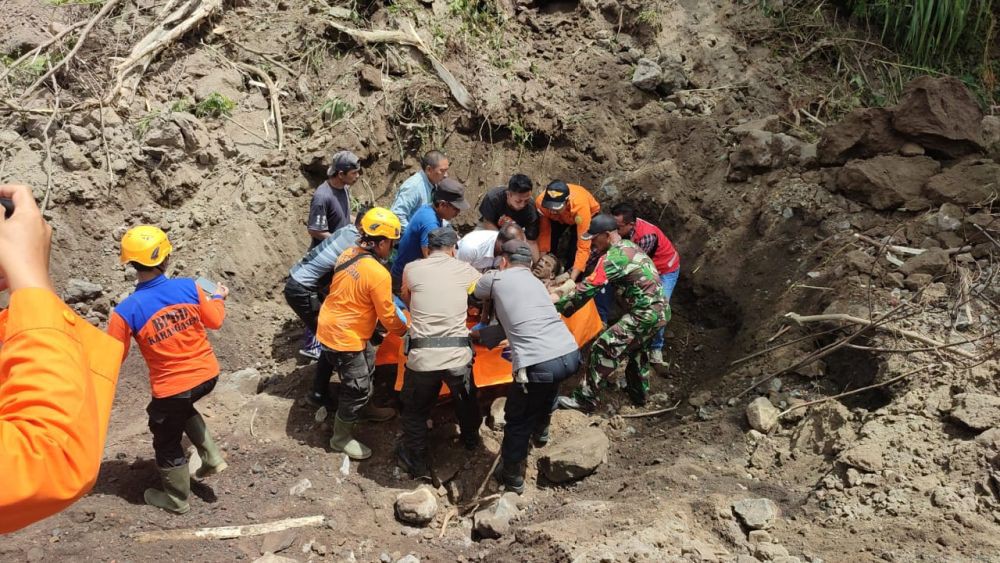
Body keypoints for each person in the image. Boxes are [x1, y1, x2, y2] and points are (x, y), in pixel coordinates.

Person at [0, 183, 123, 533]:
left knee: (166, 431)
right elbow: (51, 456)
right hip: (200, 378)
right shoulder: (189, 289)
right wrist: (29, 277)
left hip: (165, 386)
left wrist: (30, 285)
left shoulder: (131, 308)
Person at [107, 226, 230, 515]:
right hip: (208, 375)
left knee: (165, 436)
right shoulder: (191, 286)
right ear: (166, 258)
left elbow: (113, 356)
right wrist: (219, 297)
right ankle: (211, 457)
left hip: (173, 386)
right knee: (178, 407)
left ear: (131, 263)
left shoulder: (126, 311)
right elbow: (215, 321)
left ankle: (176, 499)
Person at [473, 240, 581, 494]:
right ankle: (542, 432)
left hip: (538, 361)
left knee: (518, 418)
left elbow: (477, 291)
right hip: (569, 354)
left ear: (504, 261)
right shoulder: (539, 285)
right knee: (549, 386)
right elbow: (522, 318)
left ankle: (511, 475)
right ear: (529, 264)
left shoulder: (497, 278)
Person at [316, 207, 409, 460]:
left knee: (368, 363)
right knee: (356, 387)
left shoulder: (349, 253)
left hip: (335, 325)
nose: (392, 248)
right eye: (391, 243)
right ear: (380, 243)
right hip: (344, 336)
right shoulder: (378, 273)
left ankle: (365, 408)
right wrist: (405, 331)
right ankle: (340, 437)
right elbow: (388, 316)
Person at [554, 214, 669, 412]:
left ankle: (585, 400)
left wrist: (556, 308)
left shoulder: (614, 257)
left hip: (644, 313)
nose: (591, 244)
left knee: (603, 347)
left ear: (607, 235)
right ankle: (639, 395)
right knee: (637, 351)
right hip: (660, 312)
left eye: (594, 239)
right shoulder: (629, 246)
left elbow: (590, 286)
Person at [396, 227, 483, 479]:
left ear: (428, 248)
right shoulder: (465, 270)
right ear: (453, 248)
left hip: (422, 358)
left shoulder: (412, 268)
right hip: (457, 356)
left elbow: (408, 299)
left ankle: (417, 461)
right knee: (467, 401)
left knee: (415, 410)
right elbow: (482, 292)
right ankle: (470, 440)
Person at [285, 214, 363, 382]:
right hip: (302, 289)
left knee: (329, 336)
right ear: (362, 228)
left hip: (300, 282)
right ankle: (320, 390)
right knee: (330, 338)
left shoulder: (346, 230)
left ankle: (321, 388)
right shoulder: (354, 241)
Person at [609, 202, 680, 365]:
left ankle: (656, 347)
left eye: (618, 228)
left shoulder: (646, 237)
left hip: (664, 270)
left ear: (630, 224)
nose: (614, 231)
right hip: (647, 266)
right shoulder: (623, 227)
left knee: (659, 307)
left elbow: (634, 266)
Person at [389, 178, 469, 292]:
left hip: (408, 275)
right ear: (442, 204)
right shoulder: (430, 223)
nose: (458, 212)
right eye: (456, 208)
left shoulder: (428, 208)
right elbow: (431, 260)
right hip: (403, 282)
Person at [536, 180, 600, 281]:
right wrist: (541, 261)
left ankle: (573, 279)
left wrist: (571, 280)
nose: (552, 211)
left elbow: (583, 247)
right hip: (558, 218)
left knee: (573, 252)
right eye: (550, 207)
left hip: (582, 217)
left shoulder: (580, 207)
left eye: (556, 208)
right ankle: (551, 273)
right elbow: (544, 233)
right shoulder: (541, 203)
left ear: (567, 202)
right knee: (551, 243)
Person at [308, 150, 361, 248]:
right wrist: (341, 242)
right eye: (354, 173)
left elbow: (340, 216)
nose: (357, 176)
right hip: (325, 254)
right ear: (340, 174)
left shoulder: (344, 188)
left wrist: (361, 222)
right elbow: (315, 231)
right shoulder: (322, 197)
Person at [478, 174, 540, 255]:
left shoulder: (531, 210)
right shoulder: (493, 198)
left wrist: (534, 265)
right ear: (508, 194)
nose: (522, 205)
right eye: (518, 201)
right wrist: (500, 248)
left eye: (526, 201)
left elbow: (531, 242)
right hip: (490, 229)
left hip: (515, 236)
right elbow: (488, 224)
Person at [389, 150, 450, 232]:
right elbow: (396, 215)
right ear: (429, 170)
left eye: (446, 170)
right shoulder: (414, 187)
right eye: (442, 171)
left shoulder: (433, 184)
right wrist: (414, 235)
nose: (446, 175)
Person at [456, 223, 525, 272]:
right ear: (501, 244)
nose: (516, 251)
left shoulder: (509, 248)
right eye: (514, 249)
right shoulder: (471, 248)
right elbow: (459, 272)